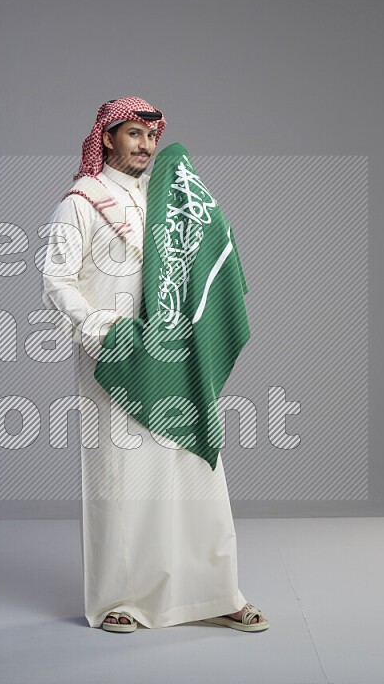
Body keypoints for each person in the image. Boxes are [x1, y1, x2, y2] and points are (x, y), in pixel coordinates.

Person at [39, 97, 268, 633]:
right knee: (119, 478)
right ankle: (119, 599)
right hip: (115, 353)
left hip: (174, 352)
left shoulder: (173, 196)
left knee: (195, 470)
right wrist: (101, 329)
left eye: (152, 136)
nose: (145, 146)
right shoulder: (81, 201)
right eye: (134, 135)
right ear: (109, 137)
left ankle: (217, 593)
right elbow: (55, 279)